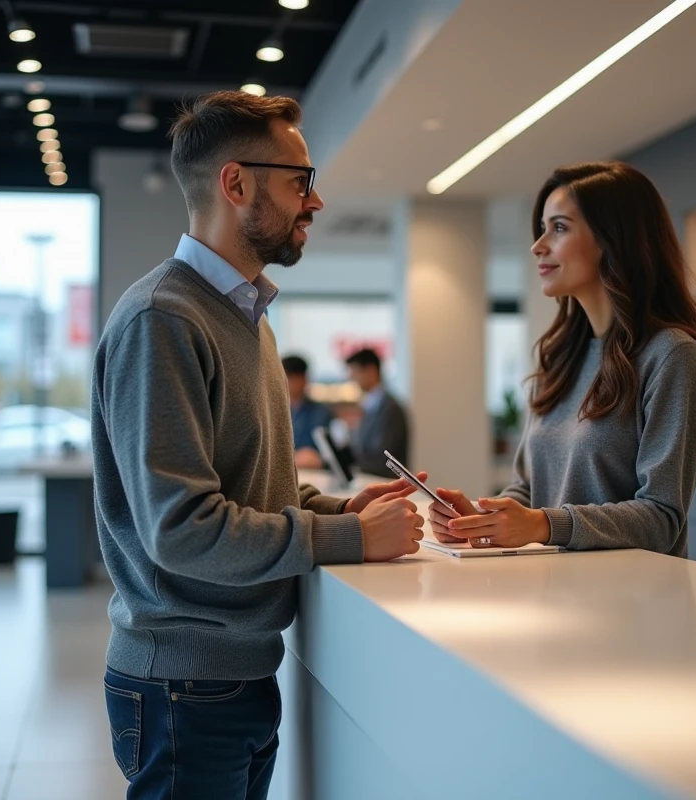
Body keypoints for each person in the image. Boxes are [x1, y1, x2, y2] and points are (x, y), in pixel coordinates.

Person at [92, 91, 427, 800]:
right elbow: (181, 530)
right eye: (299, 180)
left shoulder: (247, 317)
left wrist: (343, 512)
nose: (317, 201)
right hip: (184, 685)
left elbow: (252, 488)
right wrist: (347, 541)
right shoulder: (164, 319)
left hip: (229, 675)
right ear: (235, 183)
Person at [429, 161, 696, 555]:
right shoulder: (559, 359)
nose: (538, 246)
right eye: (541, 229)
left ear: (614, 238)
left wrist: (542, 524)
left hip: (635, 602)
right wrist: (484, 520)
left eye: (559, 227)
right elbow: (529, 487)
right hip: (553, 589)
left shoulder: (671, 356)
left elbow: (662, 518)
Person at [345, 347, 409, 478]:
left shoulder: (390, 408)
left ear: (371, 370)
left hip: (386, 483)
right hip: (371, 480)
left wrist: (351, 465)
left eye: (355, 372)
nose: (352, 378)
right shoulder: (371, 405)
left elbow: (382, 457)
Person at [281, 354, 333, 469]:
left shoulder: (321, 412)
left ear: (303, 378)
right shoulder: (279, 412)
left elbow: (316, 454)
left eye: (288, 377)